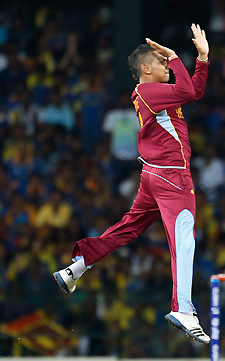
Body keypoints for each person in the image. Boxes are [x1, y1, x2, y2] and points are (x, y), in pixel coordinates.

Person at [53, 24, 211, 344]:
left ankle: (77, 268)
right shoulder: (149, 91)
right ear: (145, 68)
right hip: (171, 175)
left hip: (155, 174)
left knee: (127, 228)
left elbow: (192, 88)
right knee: (184, 239)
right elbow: (191, 92)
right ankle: (183, 308)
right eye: (161, 61)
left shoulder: (154, 92)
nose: (166, 64)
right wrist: (181, 57)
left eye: (166, 61)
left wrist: (203, 59)